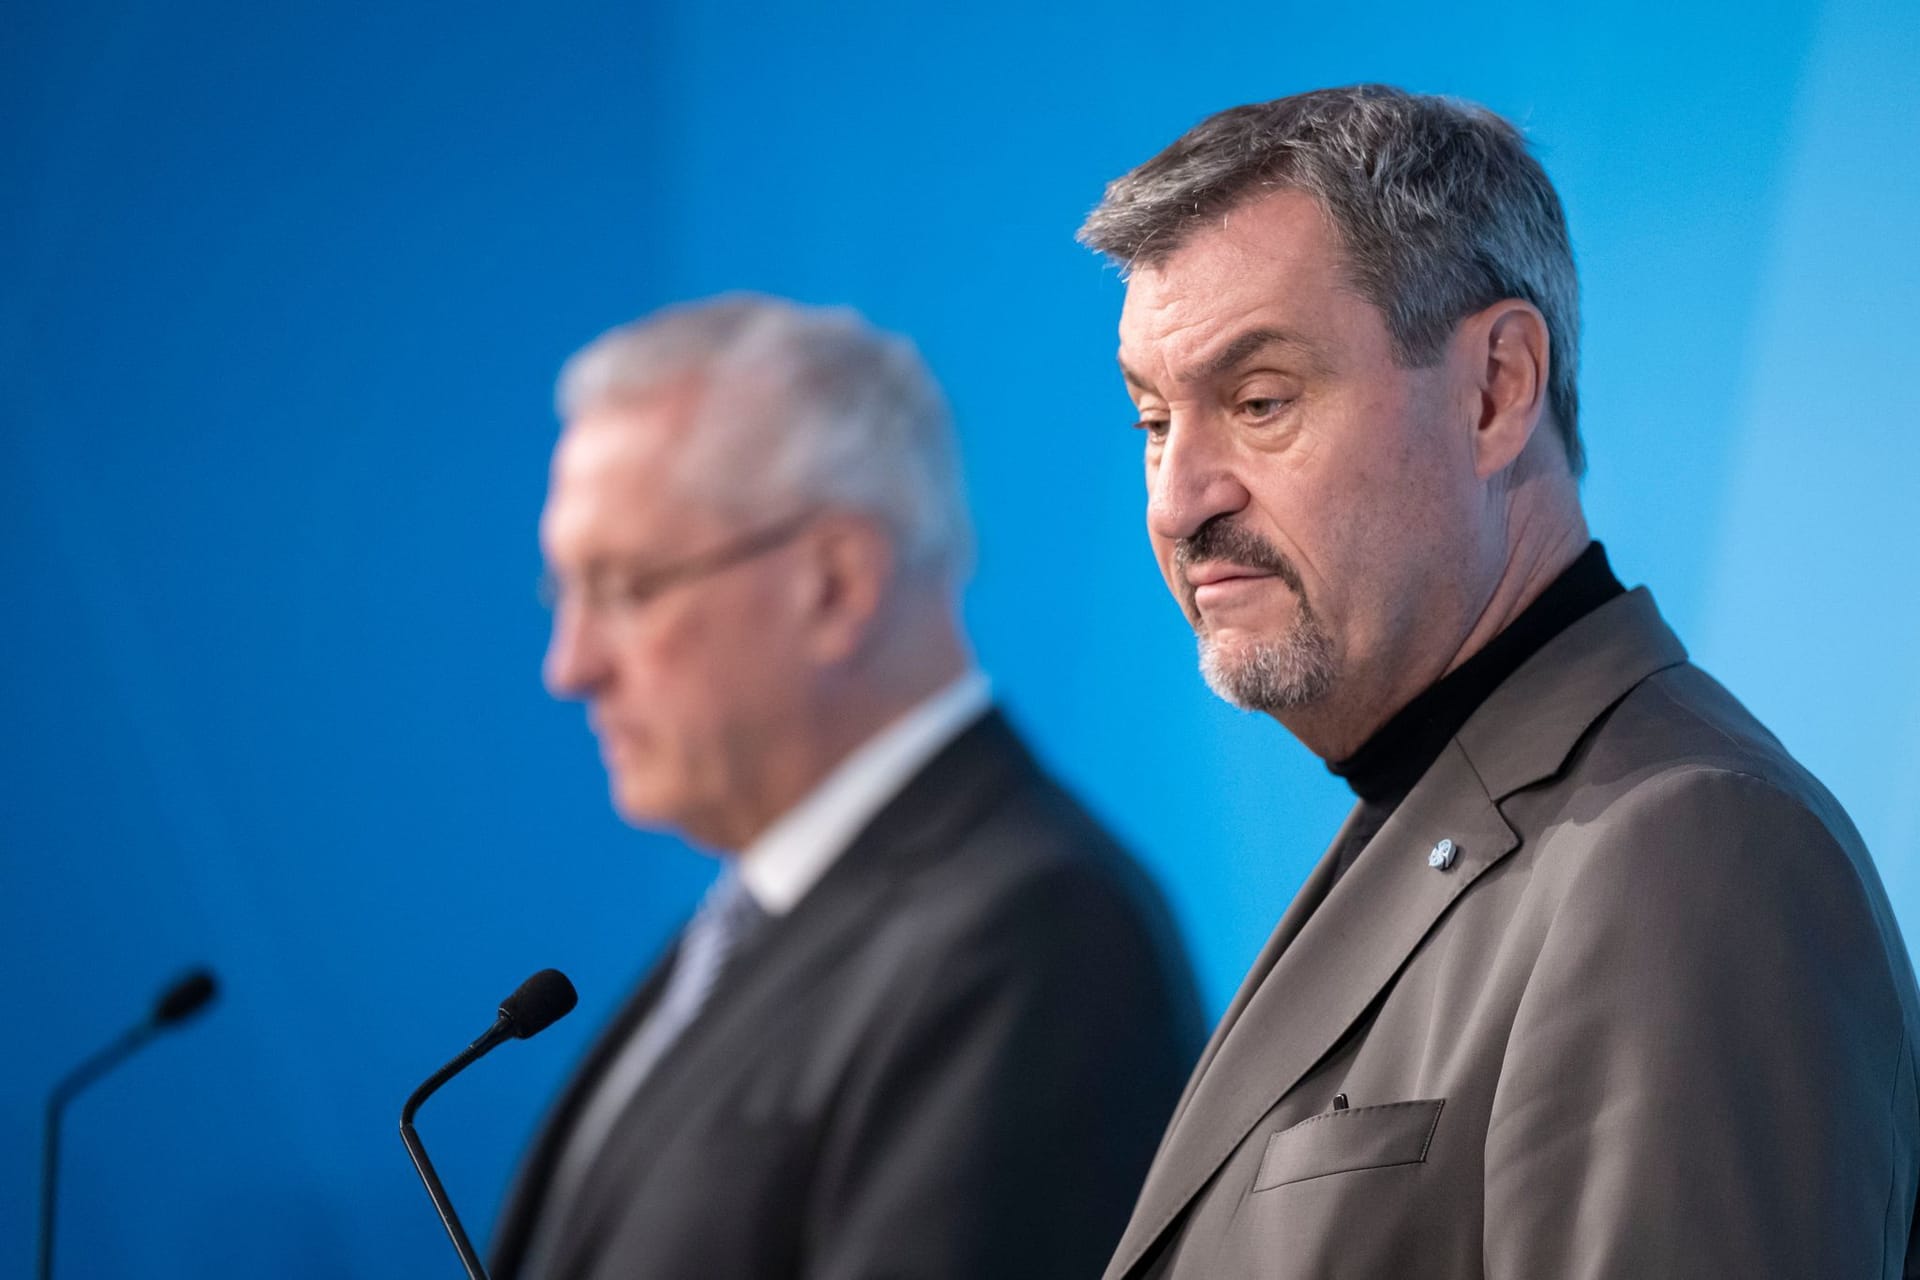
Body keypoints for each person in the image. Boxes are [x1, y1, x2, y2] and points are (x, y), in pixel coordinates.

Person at [1076, 85, 1920, 1279]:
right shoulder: (1442, 812)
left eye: (1260, 402)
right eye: (1155, 420)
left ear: (1496, 389)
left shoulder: (1687, 849)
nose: (1179, 497)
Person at [490, 295, 1203, 1280]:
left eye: (624, 588)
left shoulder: (1032, 931)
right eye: (562, 592)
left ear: (833, 582)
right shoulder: (761, 915)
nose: (568, 666)